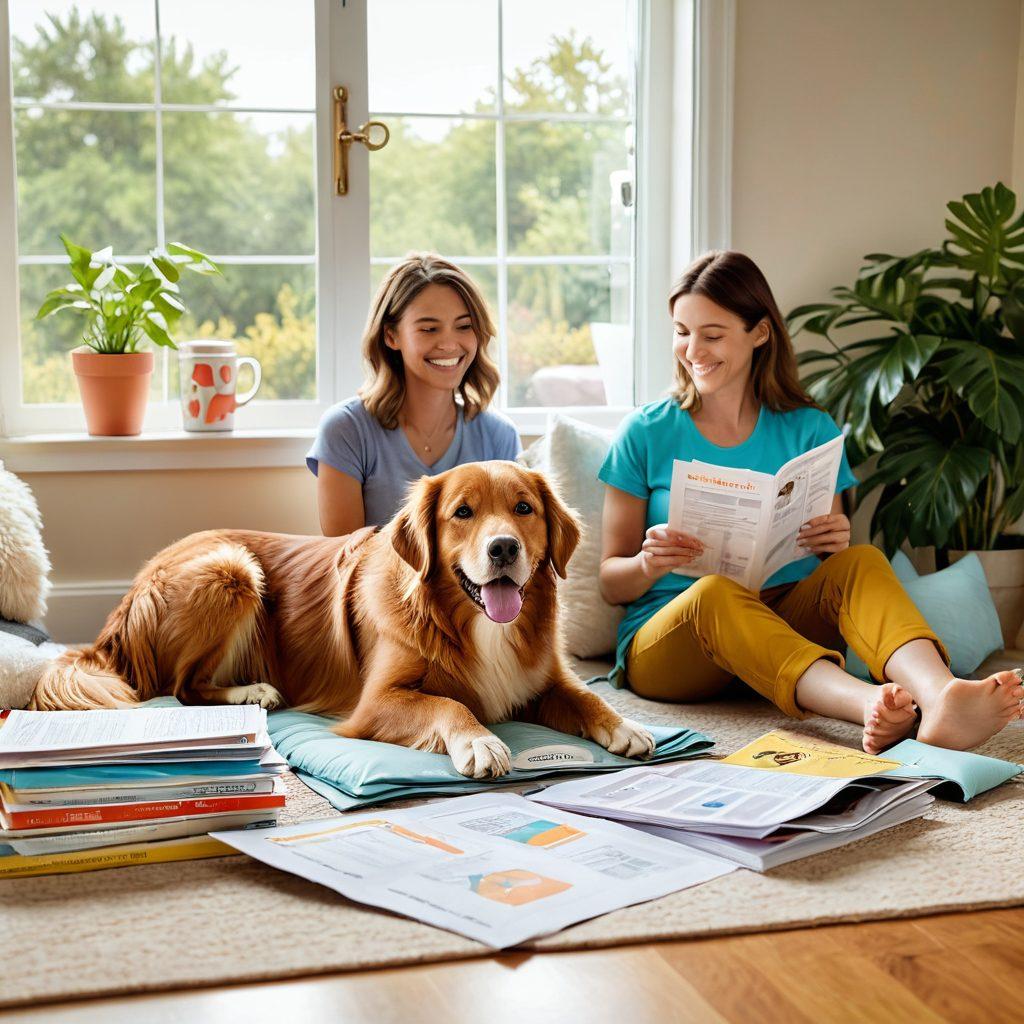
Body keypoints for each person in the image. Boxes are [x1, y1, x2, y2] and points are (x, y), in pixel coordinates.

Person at [598, 250, 1023, 753]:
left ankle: (941, 697)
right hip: (675, 638)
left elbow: (833, 555)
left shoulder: (809, 428)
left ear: (759, 333)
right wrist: (648, 563)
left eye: (712, 335)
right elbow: (610, 581)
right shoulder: (646, 431)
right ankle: (870, 705)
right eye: (681, 331)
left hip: (782, 623)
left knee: (861, 558)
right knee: (714, 591)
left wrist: (833, 542)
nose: (692, 350)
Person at [308, 253, 520, 533]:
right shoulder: (346, 430)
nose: (448, 344)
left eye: (464, 326)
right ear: (391, 336)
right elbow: (345, 562)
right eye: (429, 329)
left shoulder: (498, 437)